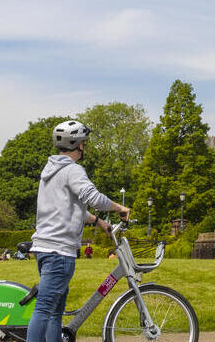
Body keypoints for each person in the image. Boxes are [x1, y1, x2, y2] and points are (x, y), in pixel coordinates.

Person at [26, 120, 130, 342]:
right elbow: (93, 198)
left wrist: (97, 221)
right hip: (59, 252)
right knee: (45, 309)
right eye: (84, 141)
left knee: (55, 311)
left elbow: (69, 208)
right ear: (79, 144)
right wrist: (120, 207)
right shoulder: (73, 170)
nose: (85, 145)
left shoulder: (51, 171)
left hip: (45, 248)